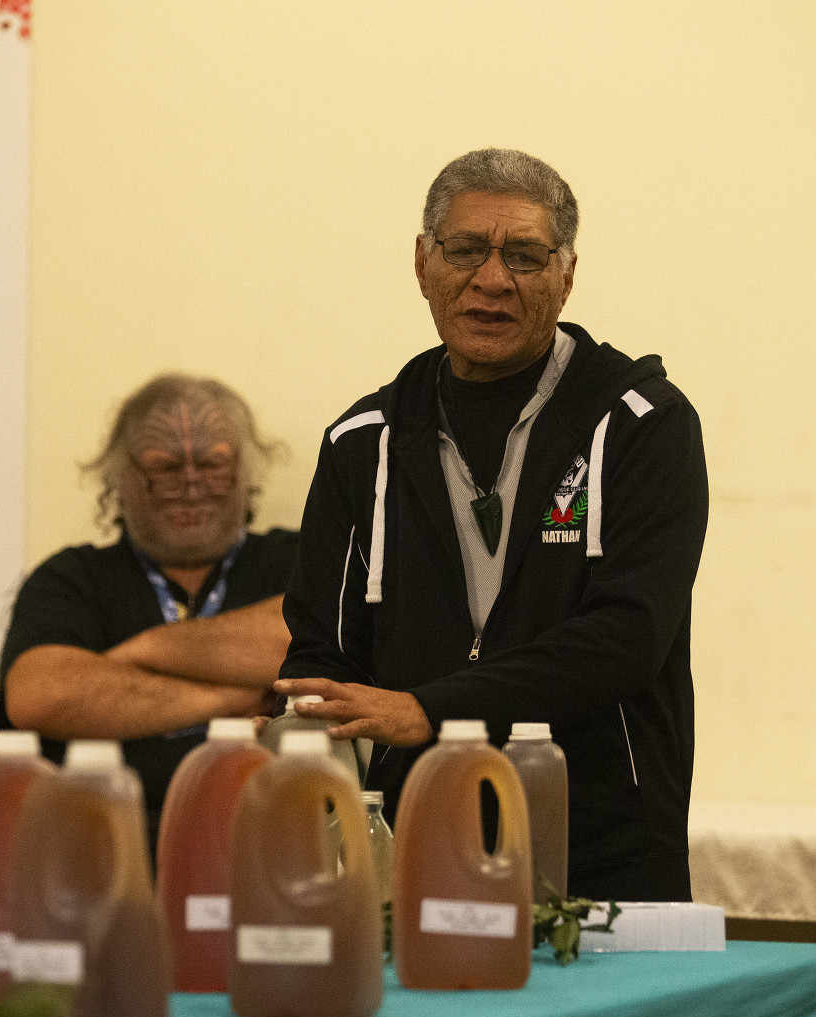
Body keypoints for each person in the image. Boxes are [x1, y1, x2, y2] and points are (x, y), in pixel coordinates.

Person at [275, 148, 709, 902]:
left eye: (526, 256)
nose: (493, 279)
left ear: (566, 275)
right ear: (423, 263)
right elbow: (324, 659)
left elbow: (627, 639)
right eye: (467, 250)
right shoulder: (363, 443)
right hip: (416, 842)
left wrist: (429, 709)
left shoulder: (642, 425)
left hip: (605, 850)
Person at [0, 374, 296, 856]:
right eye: (165, 467)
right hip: (97, 852)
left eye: (213, 464)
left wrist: (143, 652)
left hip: (266, 849)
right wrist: (235, 694)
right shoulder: (71, 578)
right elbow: (43, 694)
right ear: (119, 480)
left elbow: (301, 632)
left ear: (245, 472)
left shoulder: (295, 559)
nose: (192, 486)